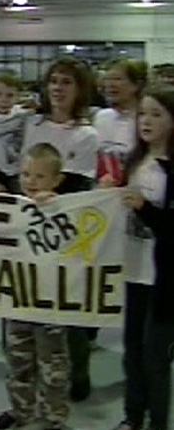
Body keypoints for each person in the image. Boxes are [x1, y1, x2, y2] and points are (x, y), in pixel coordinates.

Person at [0, 57, 98, 430]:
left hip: (58, 253)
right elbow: (15, 169)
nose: (58, 88)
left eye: (66, 82)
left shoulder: (85, 134)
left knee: (54, 348)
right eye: (53, 81)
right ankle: (21, 408)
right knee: (17, 343)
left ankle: (54, 415)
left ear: (79, 88)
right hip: (21, 257)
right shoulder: (31, 123)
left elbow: (78, 190)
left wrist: (47, 197)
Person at [117, 87, 174, 430]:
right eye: (143, 114)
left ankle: (158, 421)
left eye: (157, 114)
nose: (147, 121)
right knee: (132, 353)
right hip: (133, 271)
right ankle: (133, 417)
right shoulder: (135, 161)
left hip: (164, 279)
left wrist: (146, 209)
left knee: (155, 358)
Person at [1, 143, 68, 430]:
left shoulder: (65, 211)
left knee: (52, 366)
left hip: (49, 305)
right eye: (26, 174)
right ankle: (21, 410)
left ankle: (53, 418)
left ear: (56, 180)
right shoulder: (12, 207)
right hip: (17, 300)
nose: (30, 181)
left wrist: (54, 208)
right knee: (18, 360)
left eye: (40, 176)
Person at [95, 58, 148, 187]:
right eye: (107, 79)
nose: (110, 85)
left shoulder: (146, 120)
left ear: (136, 85)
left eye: (117, 79)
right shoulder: (101, 117)